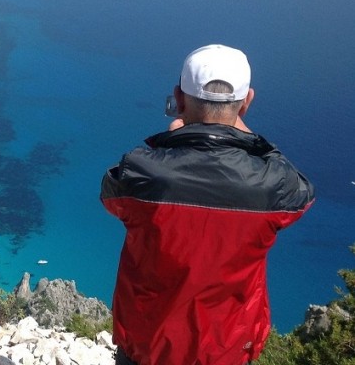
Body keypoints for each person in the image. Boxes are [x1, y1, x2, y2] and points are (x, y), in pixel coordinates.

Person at [100, 44, 315, 365]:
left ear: (179, 97)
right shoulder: (272, 183)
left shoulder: (143, 170)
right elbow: (302, 193)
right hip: (227, 350)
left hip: (147, 347)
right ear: (247, 102)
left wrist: (171, 142)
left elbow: (110, 194)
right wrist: (249, 139)